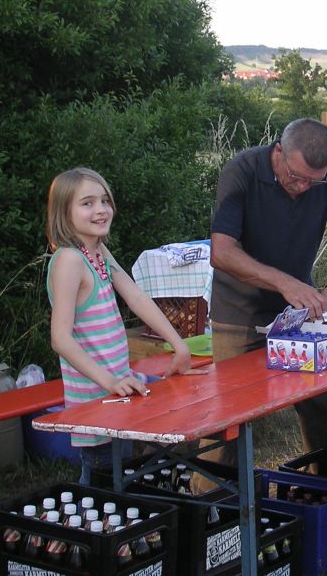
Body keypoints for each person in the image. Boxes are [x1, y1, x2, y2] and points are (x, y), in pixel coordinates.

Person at [197, 118, 327, 487]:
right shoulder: (242, 171)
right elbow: (221, 253)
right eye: (296, 176)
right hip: (239, 313)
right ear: (278, 152)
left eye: (312, 181)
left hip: (299, 312)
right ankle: (209, 500)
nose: (304, 187)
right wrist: (283, 281)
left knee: (320, 402)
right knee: (229, 414)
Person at [46, 167, 196, 485]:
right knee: (103, 484)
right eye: (87, 203)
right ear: (64, 211)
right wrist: (109, 380)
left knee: (123, 475)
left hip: (118, 389)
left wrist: (178, 343)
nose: (100, 209)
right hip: (95, 399)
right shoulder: (69, 260)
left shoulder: (97, 252)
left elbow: (136, 297)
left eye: (104, 200)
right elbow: (60, 338)